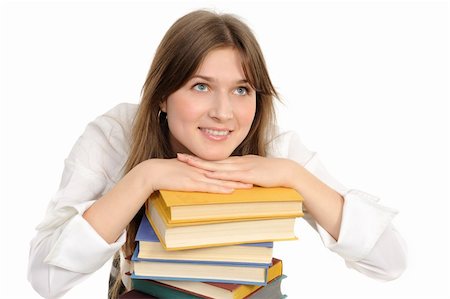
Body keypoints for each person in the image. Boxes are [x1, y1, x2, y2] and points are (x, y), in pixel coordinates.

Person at [27, 9, 407, 299]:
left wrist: (294, 176)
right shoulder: (115, 135)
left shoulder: (274, 147)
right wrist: (144, 178)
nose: (223, 113)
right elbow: (46, 278)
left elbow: (390, 262)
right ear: (161, 94)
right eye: (200, 86)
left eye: (242, 90)